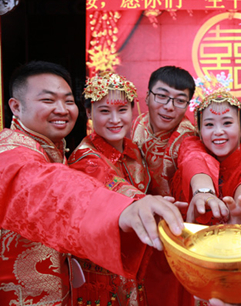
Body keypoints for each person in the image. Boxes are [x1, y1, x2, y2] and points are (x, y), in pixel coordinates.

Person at [0, 61, 184, 305]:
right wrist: (125, 206)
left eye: (67, 101)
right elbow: (47, 186)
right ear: (16, 106)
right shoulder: (11, 151)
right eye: (48, 101)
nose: (62, 109)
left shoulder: (53, 150)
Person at [131, 66, 221, 306]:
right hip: (136, 226)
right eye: (162, 96)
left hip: (174, 233)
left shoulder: (186, 135)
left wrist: (203, 191)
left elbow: (195, 159)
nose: (169, 107)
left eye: (180, 100)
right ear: (147, 96)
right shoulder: (136, 124)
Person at [68, 72, 152, 306]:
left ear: (133, 110)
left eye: (122, 110)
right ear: (88, 113)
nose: (115, 119)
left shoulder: (134, 150)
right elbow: (114, 187)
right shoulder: (85, 157)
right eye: (104, 111)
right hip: (99, 266)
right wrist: (148, 204)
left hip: (132, 259)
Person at [194, 88, 241, 225]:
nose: (218, 131)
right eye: (209, 124)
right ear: (199, 131)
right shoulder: (196, 154)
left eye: (227, 123)